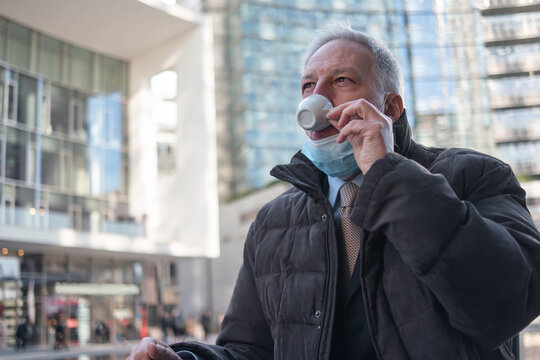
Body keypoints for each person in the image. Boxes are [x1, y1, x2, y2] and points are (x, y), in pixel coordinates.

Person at [127, 21, 540, 360]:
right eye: (308, 87)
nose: (318, 99)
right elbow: (249, 350)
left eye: (341, 80)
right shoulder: (273, 221)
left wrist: (388, 173)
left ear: (391, 108)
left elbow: (511, 301)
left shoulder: (474, 174)